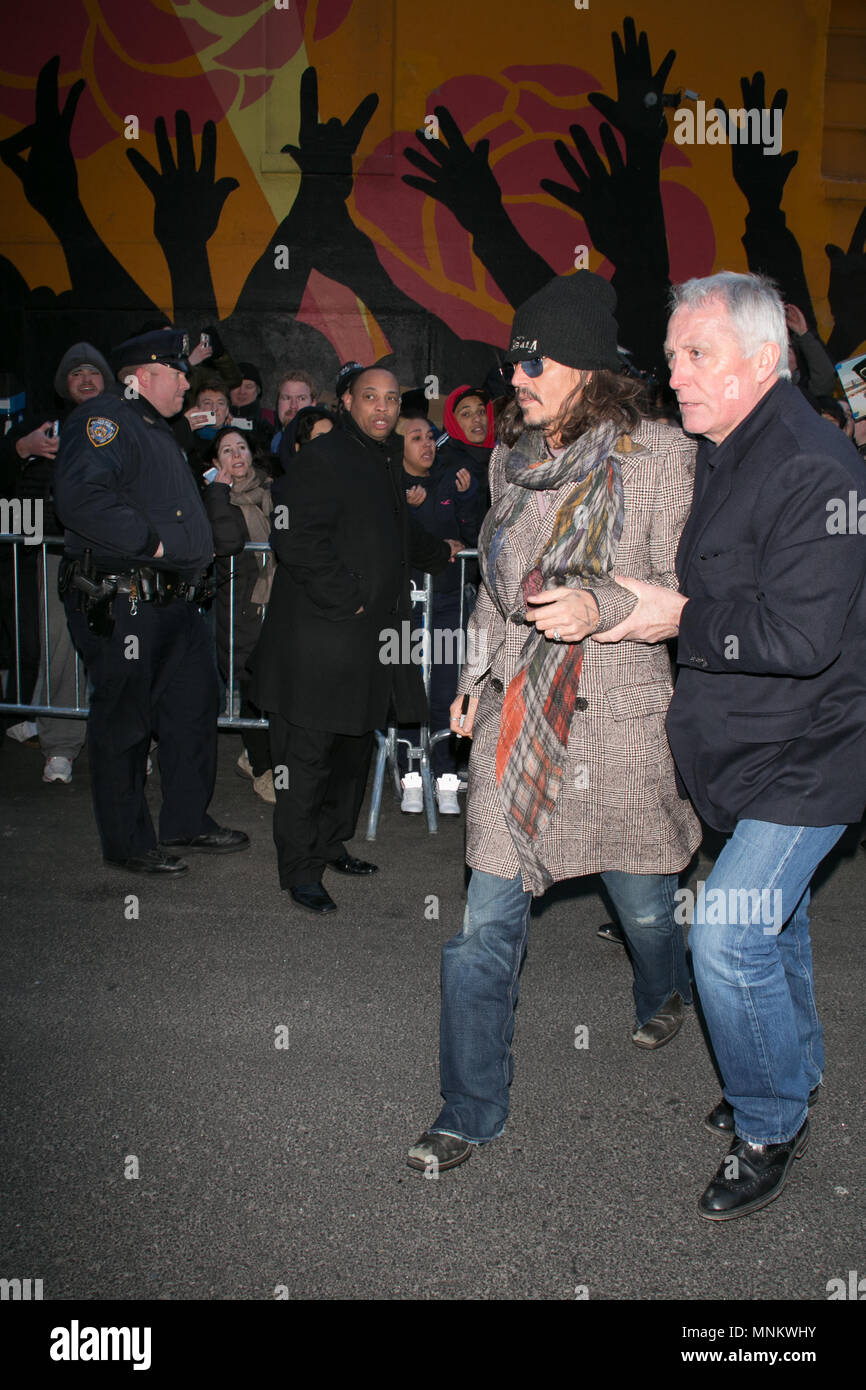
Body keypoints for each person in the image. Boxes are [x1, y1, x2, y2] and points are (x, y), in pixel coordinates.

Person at [407, 270, 702, 1175]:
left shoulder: (662, 457)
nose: (517, 379)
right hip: (517, 720)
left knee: (647, 905)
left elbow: (693, 597)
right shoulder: (511, 458)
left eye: (534, 364)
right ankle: (468, 1110)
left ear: (586, 369)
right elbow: (502, 592)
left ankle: (665, 987)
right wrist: (475, 674)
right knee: (484, 924)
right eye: (514, 362)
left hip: (615, 720)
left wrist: (599, 601)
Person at [600, 271, 866, 1220]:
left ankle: (768, 1122)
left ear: (765, 361)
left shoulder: (814, 467)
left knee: (725, 932)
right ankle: (791, 1077)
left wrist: (676, 616)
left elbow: (798, 639)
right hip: (748, 751)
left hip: (815, 753)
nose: (674, 373)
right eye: (670, 353)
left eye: (695, 353)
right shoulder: (728, 444)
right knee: (774, 926)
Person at [250, 366, 458, 914]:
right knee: (310, 757)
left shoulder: (385, 458)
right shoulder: (324, 456)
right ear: (347, 401)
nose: (383, 408)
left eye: (391, 399)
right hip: (321, 641)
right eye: (371, 397)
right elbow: (291, 533)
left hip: (370, 645)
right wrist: (350, 597)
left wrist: (441, 551)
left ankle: (329, 843)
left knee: (353, 750)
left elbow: (397, 531)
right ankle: (300, 869)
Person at [53, 328, 249, 875]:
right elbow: (79, 497)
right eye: (178, 371)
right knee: (126, 723)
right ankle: (128, 841)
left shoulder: (156, 429)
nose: (188, 381)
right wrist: (150, 544)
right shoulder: (106, 420)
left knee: (192, 712)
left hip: (176, 605)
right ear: (142, 376)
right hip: (127, 601)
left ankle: (186, 820)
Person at [396, 409, 481, 814]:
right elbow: (416, 542)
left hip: (447, 602)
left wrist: (464, 500)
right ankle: (411, 773)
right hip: (407, 603)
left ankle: (447, 773)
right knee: (410, 686)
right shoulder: (391, 487)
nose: (427, 444)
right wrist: (413, 509)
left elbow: (471, 536)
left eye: (430, 437)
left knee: (448, 686)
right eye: (416, 438)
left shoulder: (452, 479)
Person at [202, 427, 275, 803]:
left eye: (242, 447)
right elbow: (227, 542)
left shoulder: (270, 491)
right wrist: (217, 491)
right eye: (227, 451)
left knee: (275, 686)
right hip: (240, 607)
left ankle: (258, 757)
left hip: (274, 606)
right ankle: (264, 769)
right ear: (216, 464)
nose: (237, 456)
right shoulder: (217, 499)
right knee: (252, 685)